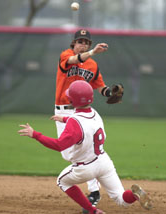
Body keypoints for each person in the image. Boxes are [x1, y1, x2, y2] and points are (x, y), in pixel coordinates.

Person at [18, 80, 153, 214]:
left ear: (71, 100)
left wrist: (35, 134)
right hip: (104, 162)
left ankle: (92, 210)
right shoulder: (95, 113)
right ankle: (135, 195)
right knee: (121, 199)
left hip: (85, 168)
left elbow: (59, 145)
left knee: (62, 182)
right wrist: (64, 119)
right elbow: (84, 124)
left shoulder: (74, 122)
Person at [54, 29, 119, 210]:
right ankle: (95, 187)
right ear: (73, 44)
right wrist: (91, 53)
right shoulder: (66, 55)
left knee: (78, 153)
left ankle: (94, 192)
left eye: (85, 42)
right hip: (63, 111)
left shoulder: (92, 65)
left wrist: (111, 93)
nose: (82, 44)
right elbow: (75, 60)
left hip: (80, 112)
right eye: (79, 41)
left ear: (88, 45)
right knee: (68, 154)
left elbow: (100, 87)